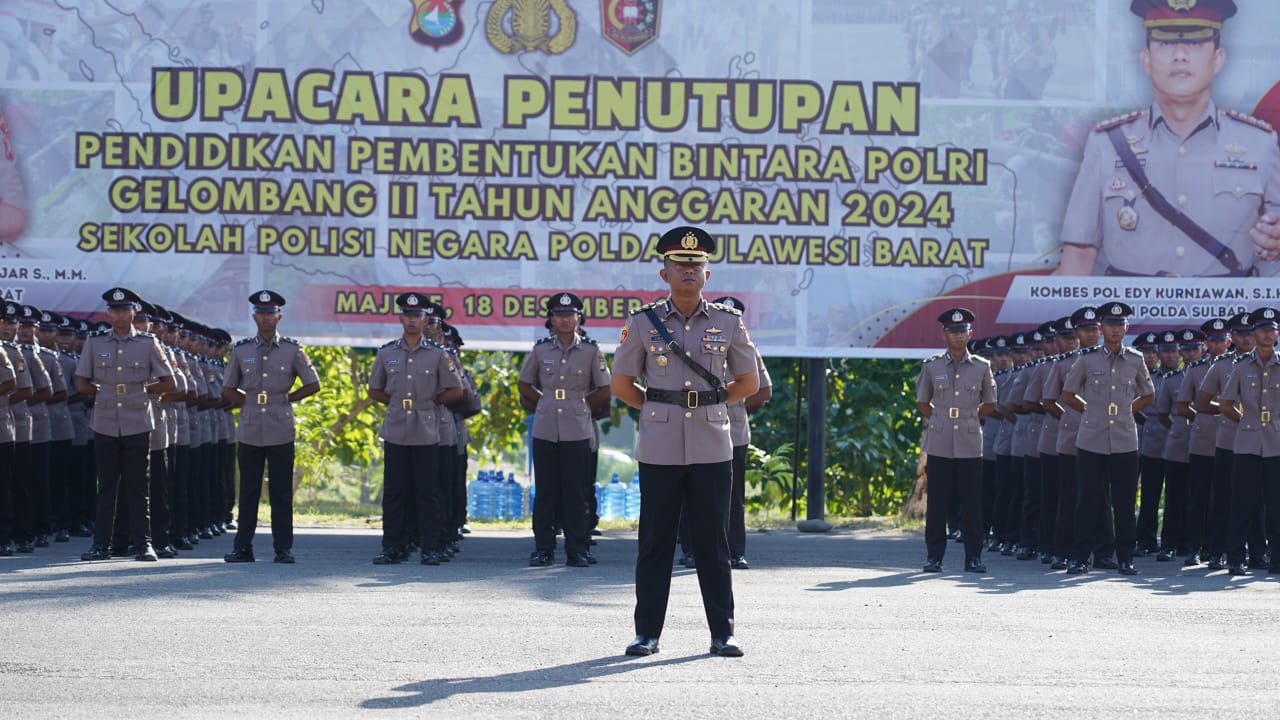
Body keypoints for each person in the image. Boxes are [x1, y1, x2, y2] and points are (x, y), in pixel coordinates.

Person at [611, 225, 759, 658]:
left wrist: (710, 403)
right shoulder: (643, 322)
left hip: (712, 444)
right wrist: (659, 407)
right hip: (659, 445)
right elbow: (621, 384)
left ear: (707, 275)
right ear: (665, 273)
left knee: (714, 542)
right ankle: (646, 633)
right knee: (655, 542)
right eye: (680, 264)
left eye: (696, 264)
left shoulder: (728, 322)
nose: (689, 270)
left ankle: (722, 633)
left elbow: (748, 382)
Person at [1058, 0, 1280, 277]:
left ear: (1218, 60)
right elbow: (1079, 253)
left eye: (1195, 43)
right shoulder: (1106, 145)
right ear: (1145, 60)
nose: (1180, 55)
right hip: (1128, 305)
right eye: (1165, 43)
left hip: (1227, 305)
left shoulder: (1259, 143)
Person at [75, 287, 176, 562]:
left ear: (134, 312)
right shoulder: (95, 343)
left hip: (138, 421)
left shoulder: (148, 343)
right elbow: (81, 381)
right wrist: (102, 393)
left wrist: (142, 392)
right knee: (106, 486)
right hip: (105, 421)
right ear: (109, 313)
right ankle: (101, 545)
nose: (120, 315)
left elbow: (169, 382)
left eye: (125, 310)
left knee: (138, 486)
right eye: (115, 310)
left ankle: (144, 544)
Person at [221, 291, 320, 564]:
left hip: (280, 426)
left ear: (279, 317)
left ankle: (283, 548)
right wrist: (249, 402)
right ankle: (242, 548)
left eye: (270, 313)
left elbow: (313, 383)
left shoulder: (292, 349)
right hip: (250, 426)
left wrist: (287, 398)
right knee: (248, 491)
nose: (266, 318)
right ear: (254, 317)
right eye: (261, 313)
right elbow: (228, 388)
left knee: (281, 492)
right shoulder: (241, 350)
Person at [367, 292, 464, 566]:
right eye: (408, 315)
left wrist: (430, 403)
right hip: (396, 426)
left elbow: (455, 389)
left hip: (426, 426)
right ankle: (392, 547)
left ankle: (430, 547)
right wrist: (397, 403)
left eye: (418, 316)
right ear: (400, 318)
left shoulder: (438, 354)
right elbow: (374, 388)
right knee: (394, 491)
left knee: (427, 491)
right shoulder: (387, 352)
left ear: (424, 320)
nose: (412, 320)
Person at [1060, 302, 1155, 575]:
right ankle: (1080, 557)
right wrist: (1091, 410)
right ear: (1101, 328)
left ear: (1127, 328)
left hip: (1125, 439)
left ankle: (1125, 557)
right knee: (1088, 500)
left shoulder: (1135, 359)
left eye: (1120, 325)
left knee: (1124, 502)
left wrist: (1126, 410)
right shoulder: (1087, 359)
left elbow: (1149, 395)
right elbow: (1068, 394)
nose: (1115, 330)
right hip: (1091, 437)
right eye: (1110, 325)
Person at [518, 292, 612, 568]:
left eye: (570, 315)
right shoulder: (541, 350)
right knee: (546, 492)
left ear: (578, 318)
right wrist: (544, 402)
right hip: (546, 427)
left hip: (578, 428)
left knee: (576, 492)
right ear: (551, 319)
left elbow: (604, 389)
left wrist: (581, 406)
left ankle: (577, 549)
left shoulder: (591, 351)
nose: (565, 319)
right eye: (559, 315)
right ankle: (543, 549)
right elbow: (524, 384)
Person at [916, 308, 997, 573]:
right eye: (953, 332)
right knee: (937, 503)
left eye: (963, 331)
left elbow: (990, 403)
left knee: (972, 503)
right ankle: (934, 557)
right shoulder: (932, 366)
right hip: (940, 443)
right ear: (944, 335)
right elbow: (922, 402)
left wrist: (969, 418)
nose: (958, 336)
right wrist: (940, 418)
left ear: (970, 333)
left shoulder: (982, 367)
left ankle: (973, 557)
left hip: (970, 443)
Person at [1219, 307, 1280, 575]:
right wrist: (1245, 422)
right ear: (1254, 334)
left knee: (1276, 504)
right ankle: (1236, 558)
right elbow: (1226, 403)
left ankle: (1276, 558)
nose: (1268, 335)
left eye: (1272, 330)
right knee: (1242, 503)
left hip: (1276, 444)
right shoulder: (1242, 367)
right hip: (1247, 444)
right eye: (1263, 330)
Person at [713, 296, 771, 570]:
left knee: (734, 496)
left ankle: (735, 552)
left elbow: (763, 391)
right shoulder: (698, 344)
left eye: (734, 316)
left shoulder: (747, 348)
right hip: (700, 429)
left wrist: (735, 406)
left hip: (735, 431)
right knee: (696, 494)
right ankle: (692, 550)